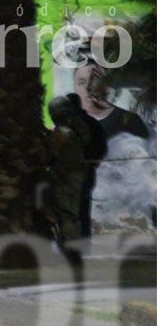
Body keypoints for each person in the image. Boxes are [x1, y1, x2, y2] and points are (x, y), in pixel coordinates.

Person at [46, 96, 90, 259]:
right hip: (77, 176)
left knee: (65, 215)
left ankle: (70, 250)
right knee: (73, 214)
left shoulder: (61, 133)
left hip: (63, 178)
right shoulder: (79, 131)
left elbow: (48, 156)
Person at [66, 93, 107, 238]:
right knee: (83, 206)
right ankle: (83, 241)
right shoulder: (93, 123)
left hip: (70, 174)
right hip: (87, 171)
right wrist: (93, 163)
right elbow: (102, 147)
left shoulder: (68, 125)